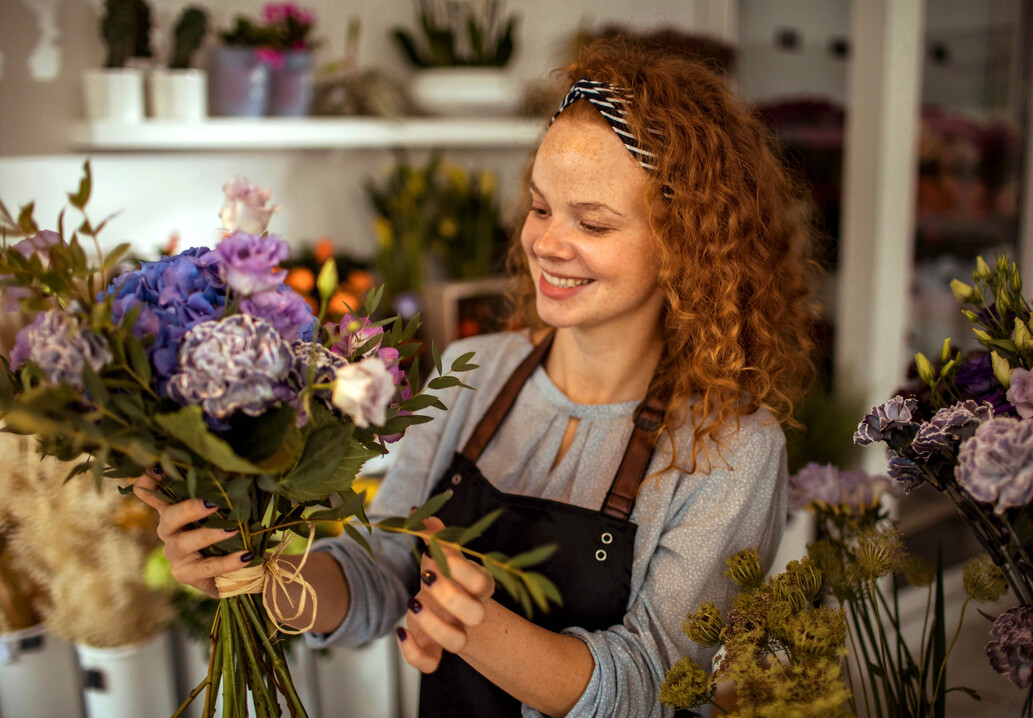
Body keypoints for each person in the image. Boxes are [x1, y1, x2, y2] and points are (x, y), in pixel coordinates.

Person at [135, 37, 818, 718]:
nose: (545, 242)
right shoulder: (477, 371)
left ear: (684, 244)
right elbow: (379, 576)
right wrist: (256, 570)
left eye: (592, 222)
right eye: (540, 206)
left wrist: (474, 627)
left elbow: (653, 687)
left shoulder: (730, 446)